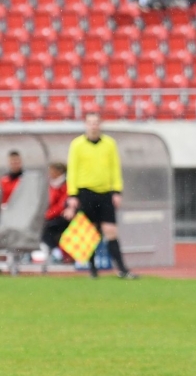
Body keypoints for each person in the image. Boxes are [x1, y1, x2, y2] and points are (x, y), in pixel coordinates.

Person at [64, 113, 136, 280]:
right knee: (90, 232)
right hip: (86, 192)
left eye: (96, 122)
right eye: (90, 123)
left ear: (101, 124)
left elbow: (115, 168)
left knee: (110, 231)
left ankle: (122, 269)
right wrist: (72, 194)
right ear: (86, 125)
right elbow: (72, 170)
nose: (93, 126)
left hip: (105, 193)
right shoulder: (77, 145)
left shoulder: (109, 144)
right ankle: (92, 270)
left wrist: (117, 191)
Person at [40, 162, 69, 263]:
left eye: (52, 171)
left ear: (59, 172)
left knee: (45, 229)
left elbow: (62, 205)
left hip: (63, 217)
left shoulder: (65, 185)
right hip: (52, 216)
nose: (50, 173)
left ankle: (58, 253)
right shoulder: (51, 185)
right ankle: (55, 252)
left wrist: (47, 215)